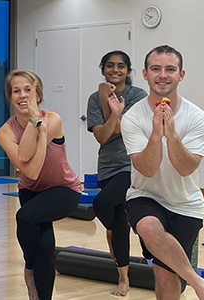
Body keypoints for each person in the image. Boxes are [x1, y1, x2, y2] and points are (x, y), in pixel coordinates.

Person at [120, 45, 204, 300]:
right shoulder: (132, 117)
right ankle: (198, 282)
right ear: (145, 74)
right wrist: (155, 132)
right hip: (145, 195)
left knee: (167, 275)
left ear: (181, 75)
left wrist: (171, 132)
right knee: (149, 228)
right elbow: (147, 169)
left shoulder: (198, 118)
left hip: (186, 204)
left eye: (170, 69)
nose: (163, 75)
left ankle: (188, 281)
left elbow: (186, 168)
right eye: (156, 69)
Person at [0, 69, 80, 300]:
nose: (22, 95)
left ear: (38, 94)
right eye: (16, 91)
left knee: (25, 218)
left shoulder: (53, 119)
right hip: (31, 191)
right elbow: (30, 171)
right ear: (10, 97)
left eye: (28, 90)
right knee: (44, 248)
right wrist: (36, 125)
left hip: (64, 189)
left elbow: (30, 166)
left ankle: (29, 269)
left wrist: (40, 125)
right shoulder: (4, 132)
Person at [85, 50, 148, 297]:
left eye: (121, 66)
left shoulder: (138, 95)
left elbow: (126, 128)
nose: (115, 70)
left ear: (128, 71)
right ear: (103, 69)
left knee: (102, 202)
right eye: (110, 65)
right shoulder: (94, 98)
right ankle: (124, 279)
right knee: (119, 220)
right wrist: (107, 105)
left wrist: (110, 109)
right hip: (107, 166)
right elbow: (101, 136)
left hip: (132, 164)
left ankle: (114, 228)